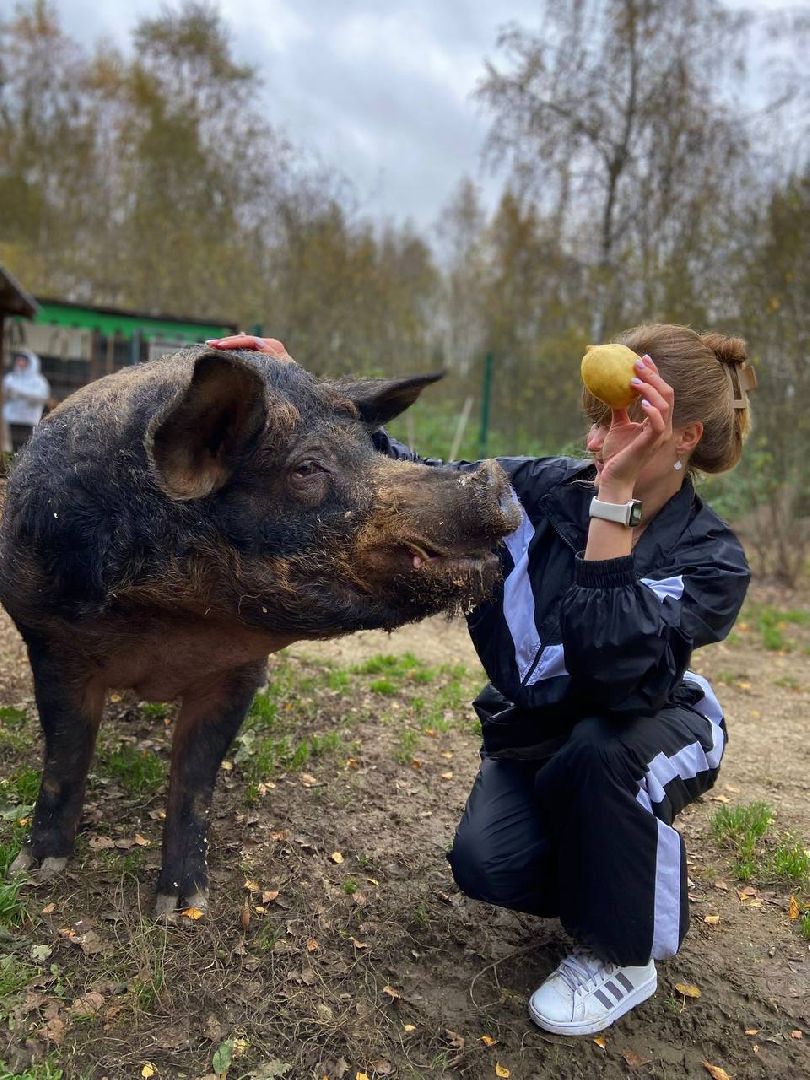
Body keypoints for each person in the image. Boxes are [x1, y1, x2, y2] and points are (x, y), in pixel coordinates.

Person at [205, 325, 755, 1035]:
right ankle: (617, 872)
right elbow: (415, 479)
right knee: (485, 864)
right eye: (595, 418)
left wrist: (614, 499)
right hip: (542, 729)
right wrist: (301, 393)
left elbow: (612, 673)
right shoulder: (546, 490)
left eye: (623, 421)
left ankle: (625, 954)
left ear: (684, 436)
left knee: (599, 755)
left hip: (646, 725)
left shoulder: (712, 559)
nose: (595, 442)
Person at [3, 348, 50, 454]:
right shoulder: (11, 378)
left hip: (29, 420)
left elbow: (41, 397)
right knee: (12, 447)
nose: (20, 362)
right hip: (12, 419)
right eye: (18, 360)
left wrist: (21, 393)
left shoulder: (39, 381)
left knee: (25, 446)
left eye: (23, 360)